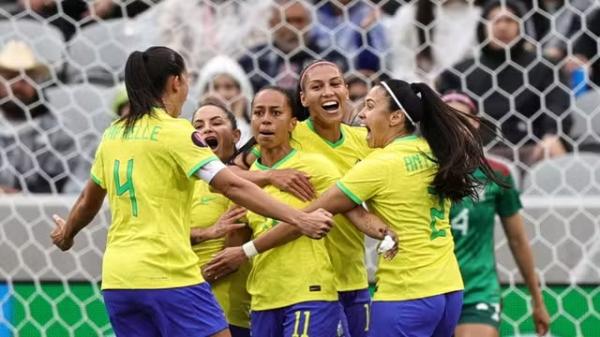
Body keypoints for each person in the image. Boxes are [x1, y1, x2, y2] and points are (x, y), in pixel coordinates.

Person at [49, 46, 334, 337]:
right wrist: (299, 218)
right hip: (167, 274)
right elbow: (232, 185)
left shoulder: (114, 134)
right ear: (176, 82)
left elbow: (88, 200)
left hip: (118, 280)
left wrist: (67, 234)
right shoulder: (176, 132)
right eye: (186, 79)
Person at [207, 78, 501, 336]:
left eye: (371, 106)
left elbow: (306, 216)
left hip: (407, 293)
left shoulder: (380, 164)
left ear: (396, 117)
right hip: (449, 291)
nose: (360, 114)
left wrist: (246, 251)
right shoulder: (434, 151)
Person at [217, 86, 392, 337]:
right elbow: (236, 238)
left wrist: (386, 233)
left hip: (310, 292)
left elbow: (355, 212)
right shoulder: (248, 181)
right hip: (263, 298)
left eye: (275, 113)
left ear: (292, 124)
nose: (265, 119)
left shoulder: (315, 166)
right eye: (258, 113)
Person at [441, 91, 550, 337]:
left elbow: (517, 240)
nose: (457, 126)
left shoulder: (497, 174)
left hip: (478, 291)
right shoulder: (421, 174)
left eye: (463, 118)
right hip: (432, 290)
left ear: (476, 123)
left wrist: (537, 300)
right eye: (449, 119)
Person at [437, 0, 571, 167]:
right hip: (479, 154)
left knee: (554, 148)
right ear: (483, 27)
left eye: (509, 20)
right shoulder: (460, 72)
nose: (502, 26)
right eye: (495, 20)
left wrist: (552, 134)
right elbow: (450, 113)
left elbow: (557, 105)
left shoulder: (544, 66)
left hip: (533, 150)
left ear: (521, 26)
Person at [189, 101, 252, 337]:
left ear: (236, 135)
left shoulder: (242, 185)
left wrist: (185, 287)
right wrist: (208, 232)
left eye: (216, 123)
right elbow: (163, 235)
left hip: (223, 312)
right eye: (199, 125)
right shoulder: (182, 185)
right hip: (181, 306)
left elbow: (231, 258)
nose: (207, 129)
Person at [0, 40, 76, 193]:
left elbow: (62, 184)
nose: (18, 85)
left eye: (26, 78)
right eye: (10, 77)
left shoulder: (58, 133)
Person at [238, 0, 348, 92]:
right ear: (272, 24)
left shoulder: (330, 59)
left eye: (299, 21)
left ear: (310, 23)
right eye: (287, 21)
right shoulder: (253, 60)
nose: (293, 28)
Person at [387, 0, 482, 84]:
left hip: (463, 95)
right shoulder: (408, 15)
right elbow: (401, 69)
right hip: (421, 95)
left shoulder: (478, 16)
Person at [195, 55, 254, 145]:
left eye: (228, 87)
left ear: (240, 91)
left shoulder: (253, 132)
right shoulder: (192, 132)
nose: (221, 94)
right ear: (204, 92)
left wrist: (238, 119)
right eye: (215, 87)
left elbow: (243, 155)